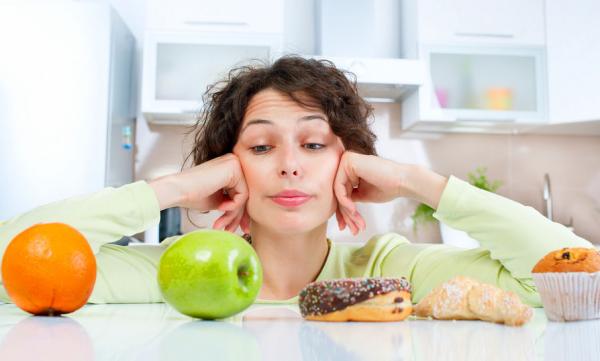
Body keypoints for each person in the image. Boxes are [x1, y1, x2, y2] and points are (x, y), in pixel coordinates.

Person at [0, 56, 592, 305]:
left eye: (314, 145)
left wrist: (418, 181)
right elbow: (13, 267)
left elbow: (575, 279)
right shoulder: (175, 274)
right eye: (260, 147)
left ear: (350, 169)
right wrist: (173, 189)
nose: (289, 165)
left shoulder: (392, 270)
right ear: (228, 170)